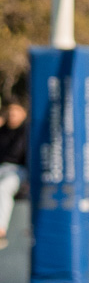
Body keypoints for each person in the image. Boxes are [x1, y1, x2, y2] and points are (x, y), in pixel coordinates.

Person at [0, 100, 26, 250]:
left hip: (19, 170)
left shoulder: (28, 131)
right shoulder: (2, 131)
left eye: (16, 111)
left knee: (3, 188)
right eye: (10, 111)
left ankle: (0, 231)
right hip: (1, 168)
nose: (13, 115)